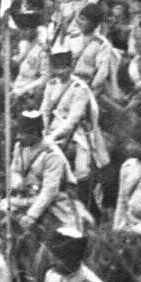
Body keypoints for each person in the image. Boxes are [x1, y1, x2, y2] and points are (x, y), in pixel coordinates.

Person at [39, 45, 101, 205]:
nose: (60, 72)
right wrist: (44, 129)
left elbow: (73, 119)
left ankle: (84, 202)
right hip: (50, 130)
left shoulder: (79, 88)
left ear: (71, 67)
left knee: (82, 170)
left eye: (64, 67)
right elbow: (45, 110)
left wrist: (53, 136)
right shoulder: (51, 84)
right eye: (57, 68)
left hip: (75, 133)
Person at [6, 109, 78, 239]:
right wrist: (17, 182)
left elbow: (50, 190)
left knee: (64, 237)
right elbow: (14, 170)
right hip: (27, 196)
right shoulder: (20, 146)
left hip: (53, 202)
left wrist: (32, 215)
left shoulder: (52, 154)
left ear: (34, 133)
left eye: (23, 133)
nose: (18, 137)